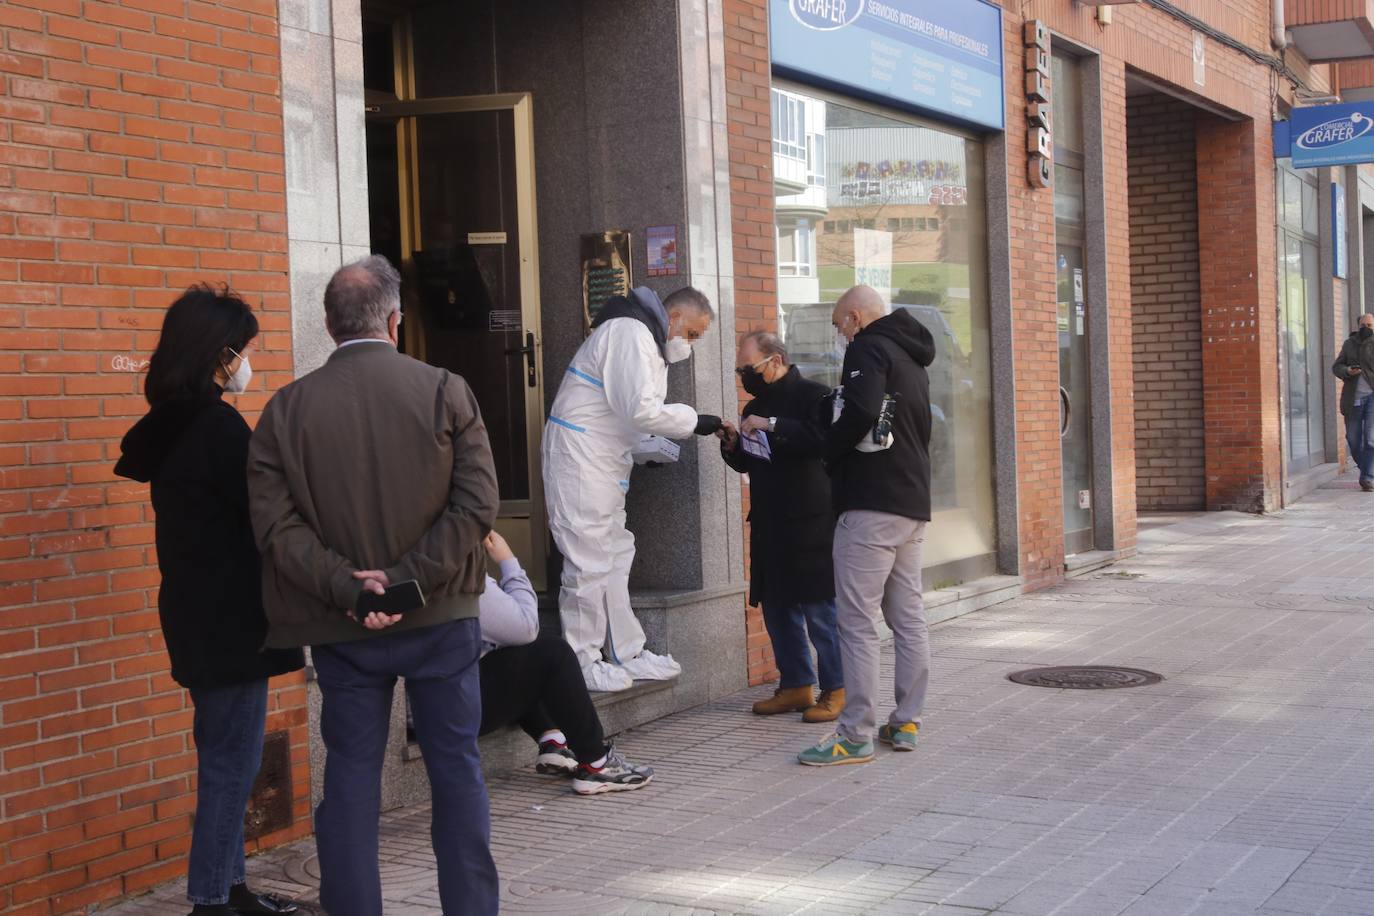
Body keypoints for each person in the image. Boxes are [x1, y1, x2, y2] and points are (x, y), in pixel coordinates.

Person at [247, 256, 500, 916]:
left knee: (350, 780)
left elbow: (275, 527)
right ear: (394, 320)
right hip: (440, 616)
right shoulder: (445, 389)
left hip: (342, 623)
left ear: (330, 325)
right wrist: (405, 582)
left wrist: (352, 588)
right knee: (456, 771)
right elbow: (477, 506)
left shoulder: (285, 409)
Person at [114, 286, 303, 916]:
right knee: (232, 766)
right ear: (221, 355)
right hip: (231, 625)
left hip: (198, 618)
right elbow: (263, 521)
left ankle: (231, 890)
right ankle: (211, 901)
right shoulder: (216, 429)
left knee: (225, 758)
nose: (250, 362)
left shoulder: (174, 427)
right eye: (245, 349)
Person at [543, 285, 723, 692]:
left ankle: (627, 652)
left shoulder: (644, 339)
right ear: (674, 317)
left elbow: (623, 412)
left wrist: (647, 446)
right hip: (581, 460)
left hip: (599, 460)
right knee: (588, 562)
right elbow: (640, 410)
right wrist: (694, 420)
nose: (690, 344)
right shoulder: (630, 333)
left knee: (615, 554)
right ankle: (581, 661)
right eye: (692, 334)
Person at [798, 285, 935, 767]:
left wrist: (827, 453)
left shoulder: (867, 347)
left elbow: (859, 411)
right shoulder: (912, 356)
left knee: (856, 623)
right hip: (911, 504)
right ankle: (906, 721)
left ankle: (854, 734)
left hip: (870, 506)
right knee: (908, 618)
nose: (840, 334)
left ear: (855, 317)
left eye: (839, 324)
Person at [718, 331, 844, 722]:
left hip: (810, 521)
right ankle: (796, 685)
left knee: (819, 610)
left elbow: (823, 440)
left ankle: (837, 688)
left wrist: (772, 424)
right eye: (739, 370)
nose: (744, 376)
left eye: (748, 367)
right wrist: (733, 445)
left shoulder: (814, 395)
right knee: (777, 607)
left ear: (774, 361)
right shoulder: (754, 406)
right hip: (769, 521)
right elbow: (751, 461)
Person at [474, 531, 654, 795]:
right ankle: (596, 764)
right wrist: (508, 562)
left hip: (430, 702)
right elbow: (526, 625)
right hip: (450, 710)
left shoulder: (424, 562)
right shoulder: (457, 573)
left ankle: (551, 739)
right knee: (553, 654)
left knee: (519, 653)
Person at [1333, 312, 1374, 491]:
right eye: (1363, 325)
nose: (1366, 328)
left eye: (1370, 325)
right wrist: (1347, 371)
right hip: (1353, 399)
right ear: (1358, 326)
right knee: (1353, 439)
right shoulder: (1349, 344)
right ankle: (1367, 470)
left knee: (1371, 439)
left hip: (1372, 398)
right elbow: (1336, 366)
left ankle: (1367, 478)